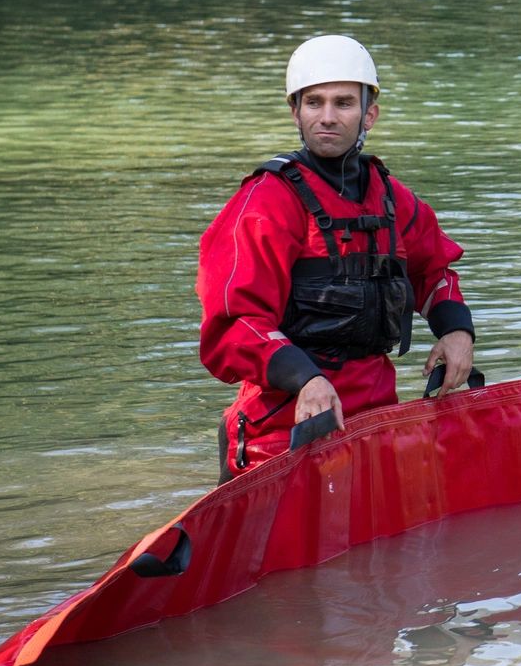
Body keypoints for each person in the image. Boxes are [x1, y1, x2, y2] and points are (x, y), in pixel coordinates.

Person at [197, 34, 476, 477]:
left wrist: (457, 331)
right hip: (281, 436)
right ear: (295, 111)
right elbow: (233, 325)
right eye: (314, 102)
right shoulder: (265, 203)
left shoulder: (391, 198)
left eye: (343, 103)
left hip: (377, 425)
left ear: (369, 114)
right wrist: (306, 377)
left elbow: (432, 270)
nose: (327, 117)